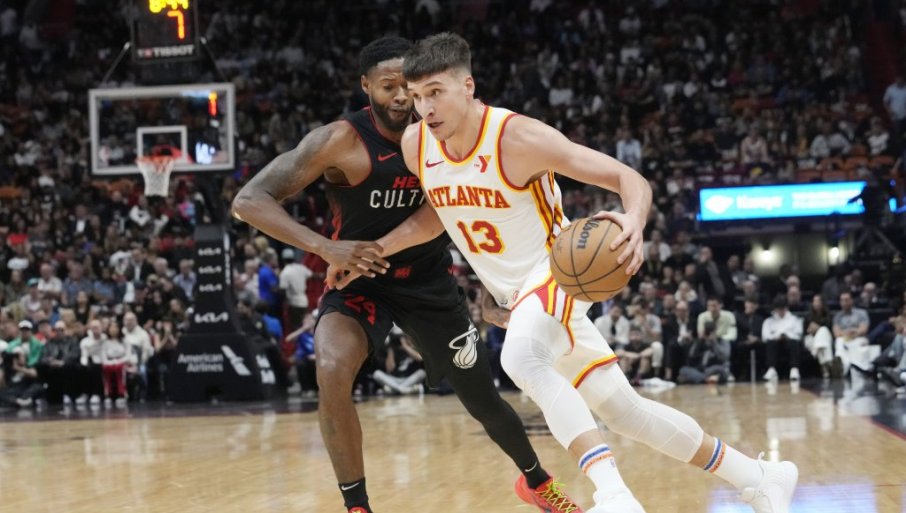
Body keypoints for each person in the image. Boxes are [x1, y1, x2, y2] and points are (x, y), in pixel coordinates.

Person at [336, 33, 798, 513]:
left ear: (468, 86)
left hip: (558, 270)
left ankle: (614, 497)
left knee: (521, 358)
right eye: (416, 96)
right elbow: (440, 214)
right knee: (625, 411)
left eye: (435, 92)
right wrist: (374, 252)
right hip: (518, 294)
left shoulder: (518, 138)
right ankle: (761, 477)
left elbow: (627, 177)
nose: (425, 108)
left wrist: (635, 221)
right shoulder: (417, 144)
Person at [231, 37, 579, 513]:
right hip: (359, 281)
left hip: (428, 280)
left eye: (408, 88)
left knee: (482, 398)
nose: (400, 98)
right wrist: (325, 246)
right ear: (366, 86)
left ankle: (536, 481)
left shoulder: (442, 135)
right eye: (388, 86)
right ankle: (357, 507)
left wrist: (489, 286)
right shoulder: (340, 141)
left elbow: (469, 213)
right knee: (330, 368)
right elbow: (248, 200)